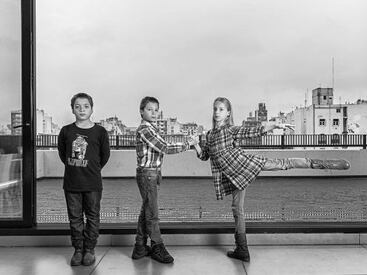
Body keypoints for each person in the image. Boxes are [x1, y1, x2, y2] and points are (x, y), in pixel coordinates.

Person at [193, 97, 350, 262]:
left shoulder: (230, 129)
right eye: (215, 109)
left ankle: (317, 163)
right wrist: (196, 144)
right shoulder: (209, 135)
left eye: (221, 109)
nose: (217, 112)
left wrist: (275, 125)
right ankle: (242, 250)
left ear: (228, 113)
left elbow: (253, 131)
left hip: (245, 166)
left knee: (283, 164)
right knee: (237, 210)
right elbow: (205, 156)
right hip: (234, 177)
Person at [132, 96, 198, 264]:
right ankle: (157, 246)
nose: (153, 113)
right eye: (149, 109)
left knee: (146, 210)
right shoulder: (145, 130)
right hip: (148, 174)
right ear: (141, 111)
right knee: (152, 213)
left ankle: (140, 247)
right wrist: (188, 144)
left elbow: (163, 145)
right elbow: (165, 148)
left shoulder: (152, 129)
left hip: (152, 173)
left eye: (156, 110)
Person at [58, 93, 110, 266]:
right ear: (72, 109)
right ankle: (78, 250)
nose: (82, 109)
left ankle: (90, 249)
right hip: (72, 183)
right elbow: (62, 154)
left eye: (86, 106)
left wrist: (91, 169)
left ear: (92, 108)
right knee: (75, 218)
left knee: (93, 217)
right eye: (78, 106)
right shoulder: (66, 131)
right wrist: (76, 165)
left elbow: (104, 156)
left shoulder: (100, 132)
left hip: (93, 183)